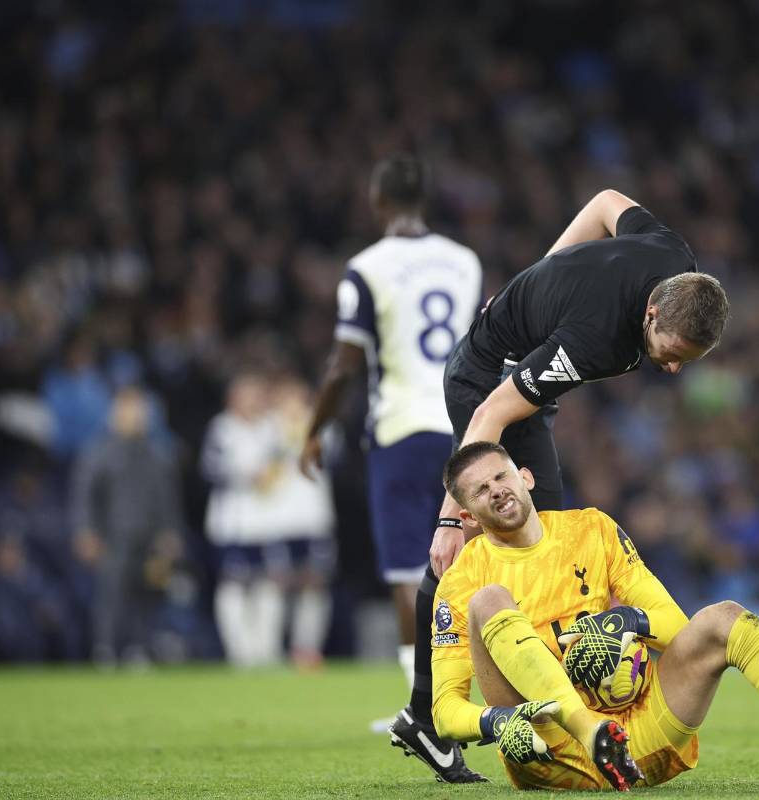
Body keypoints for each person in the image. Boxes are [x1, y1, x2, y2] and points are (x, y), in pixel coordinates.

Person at [389, 187, 730, 782]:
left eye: (687, 361)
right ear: (650, 314)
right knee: (492, 546)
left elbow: (604, 202)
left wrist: (535, 285)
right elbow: (489, 417)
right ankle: (429, 711)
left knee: (542, 544)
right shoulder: (594, 339)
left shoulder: (675, 263)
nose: (672, 368)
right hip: (484, 385)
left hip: (522, 385)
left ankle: (546, 708)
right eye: (669, 353)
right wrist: (450, 518)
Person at [430, 442, 759, 791]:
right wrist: (497, 721)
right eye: (479, 490)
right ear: (469, 516)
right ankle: (589, 731)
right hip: (550, 750)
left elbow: (672, 624)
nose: (496, 489)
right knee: (489, 600)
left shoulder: (592, 529)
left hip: (638, 738)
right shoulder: (463, 578)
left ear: (525, 476)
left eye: (500, 475)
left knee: (722, 619)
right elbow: (444, 712)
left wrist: (628, 623)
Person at [298, 154, 484, 776]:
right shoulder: (464, 261)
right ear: (425, 199)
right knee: (474, 558)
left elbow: (345, 364)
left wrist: (313, 428)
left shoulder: (366, 267)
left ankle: (422, 703)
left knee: (410, 567)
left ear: (378, 201)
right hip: (462, 423)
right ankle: (469, 690)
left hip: (402, 427)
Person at [71, 385, 183, 665]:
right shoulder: (99, 452)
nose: (136, 417)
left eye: (140, 411)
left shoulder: (157, 453)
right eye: (129, 410)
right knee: (111, 596)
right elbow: (84, 495)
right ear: (115, 414)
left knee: (147, 596)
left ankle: (139, 649)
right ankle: (105, 649)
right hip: (113, 536)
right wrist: (85, 531)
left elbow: (167, 498)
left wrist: (171, 532)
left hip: (149, 538)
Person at [202, 371, 287, 668]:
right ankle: (240, 652)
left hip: (267, 521)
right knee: (233, 585)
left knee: (269, 583)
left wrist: (272, 472)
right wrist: (247, 475)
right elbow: (210, 468)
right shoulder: (222, 429)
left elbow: (282, 460)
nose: (253, 400)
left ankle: (266, 650)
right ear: (233, 398)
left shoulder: (271, 427)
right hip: (232, 523)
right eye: (247, 394)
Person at [271, 376, 337, 669]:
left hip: (314, 518)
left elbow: (335, 454)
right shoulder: (266, 428)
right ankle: (271, 650)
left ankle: (307, 648)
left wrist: (306, 431)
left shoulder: (322, 426)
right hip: (276, 521)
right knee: (277, 585)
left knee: (314, 583)